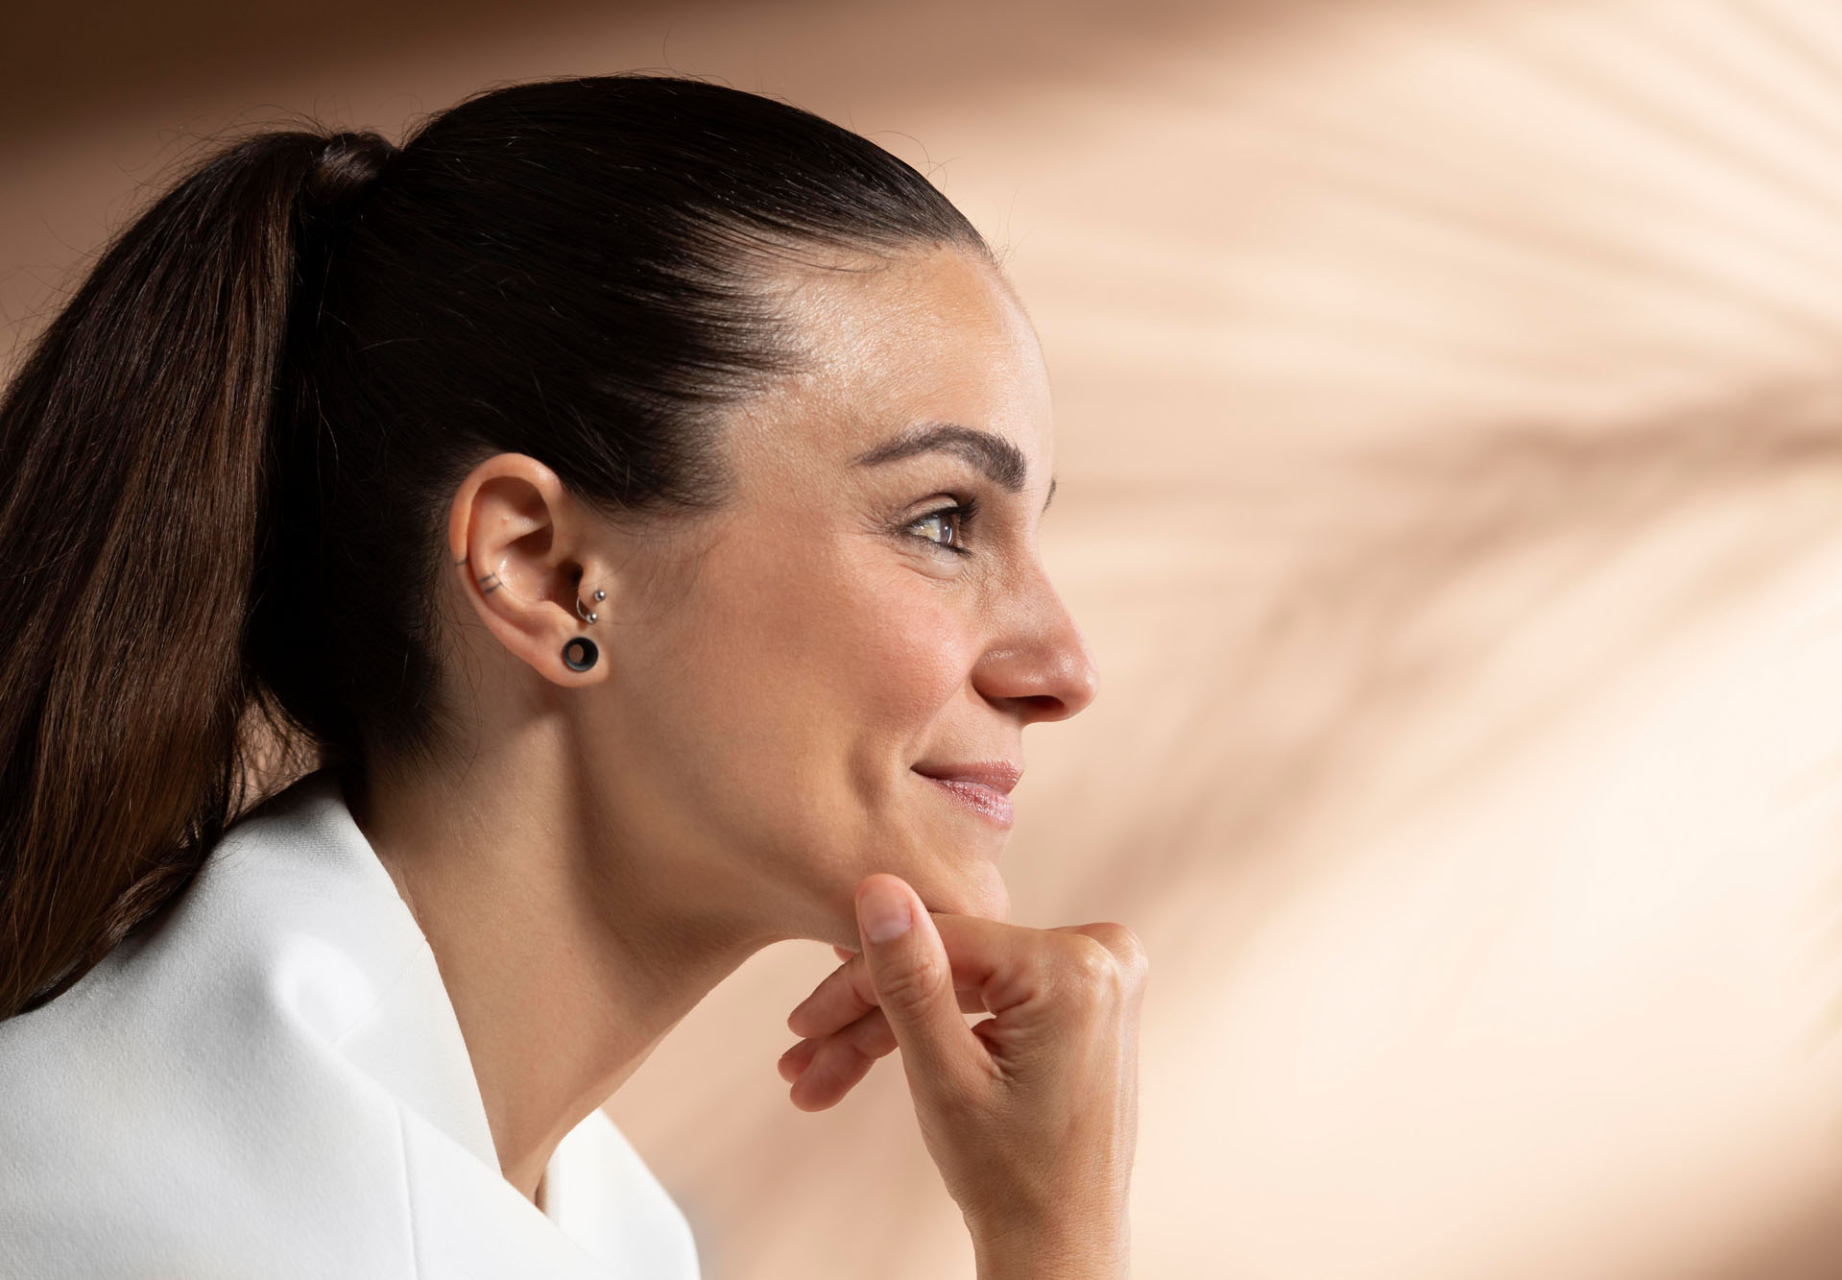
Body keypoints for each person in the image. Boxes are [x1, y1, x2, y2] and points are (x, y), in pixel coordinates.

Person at [0, 74, 1147, 1278]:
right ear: (542, 571)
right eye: (942, 520)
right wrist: (1057, 1244)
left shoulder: (575, 1212)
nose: (1063, 667)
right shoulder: (208, 1230)